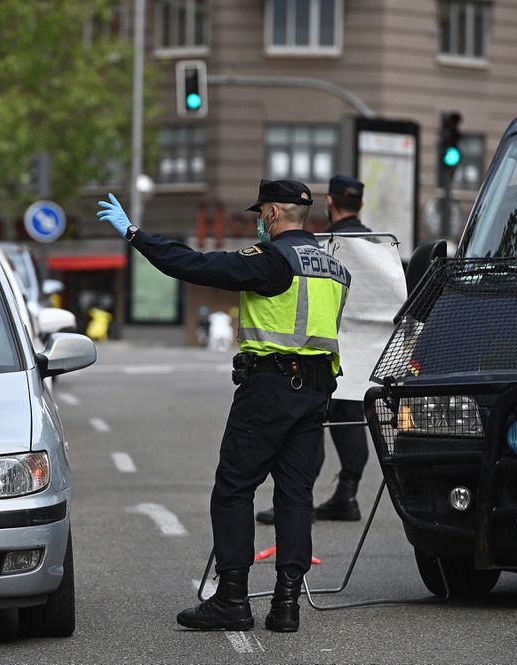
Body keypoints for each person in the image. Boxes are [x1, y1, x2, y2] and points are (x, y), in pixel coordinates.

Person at [97, 180, 351, 633]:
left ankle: (232, 599)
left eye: (260, 213)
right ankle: (286, 605)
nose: (258, 221)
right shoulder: (335, 268)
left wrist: (136, 234)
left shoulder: (272, 260)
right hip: (315, 396)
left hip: (269, 388)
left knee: (234, 487)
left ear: (272, 213)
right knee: (295, 495)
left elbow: (194, 264)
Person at [256, 175, 371, 525]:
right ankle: (347, 493)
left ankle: (297, 498)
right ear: (360, 205)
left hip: (319, 347)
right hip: (365, 348)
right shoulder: (378, 245)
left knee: (311, 422)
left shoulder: (321, 245)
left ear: (330, 204)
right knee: (350, 417)